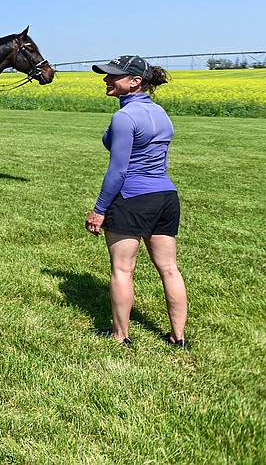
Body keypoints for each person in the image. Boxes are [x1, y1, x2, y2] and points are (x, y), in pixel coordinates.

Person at [85, 55, 188, 350]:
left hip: (132, 197)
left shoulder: (124, 117)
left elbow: (117, 170)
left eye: (113, 76)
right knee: (169, 268)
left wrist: (99, 210)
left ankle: (121, 335)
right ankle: (178, 337)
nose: (106, 80)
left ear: (135, 82)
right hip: (166, 196)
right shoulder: (161, 113)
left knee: (122, 270)